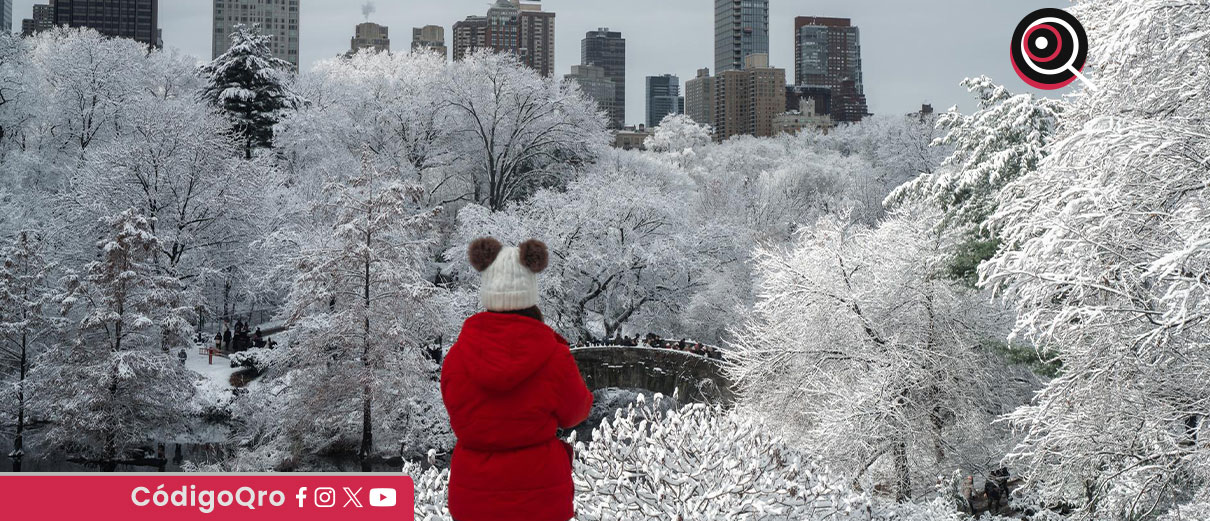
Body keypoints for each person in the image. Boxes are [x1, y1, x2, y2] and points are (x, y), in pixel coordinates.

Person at [442, 238, 593, 521]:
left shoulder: (457, 357)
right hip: (540, 498)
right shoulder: (554, 357)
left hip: (474, 497)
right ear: (530, 296)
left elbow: (456, 410)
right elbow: (576, 412)